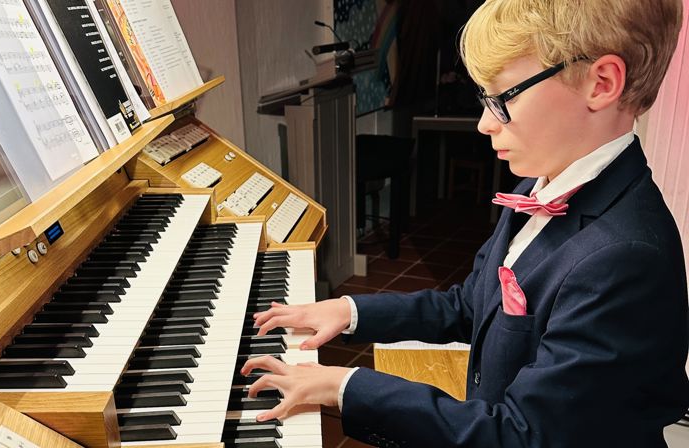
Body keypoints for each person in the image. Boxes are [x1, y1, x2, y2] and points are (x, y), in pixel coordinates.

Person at [240, 0, 689, 446]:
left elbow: (523, 435)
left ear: (602, 83)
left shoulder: (626, 258)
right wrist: (349, 312)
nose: (484, 124)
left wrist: (345, 385)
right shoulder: (542, 181)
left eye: (504, 98)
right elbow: (471, 305)